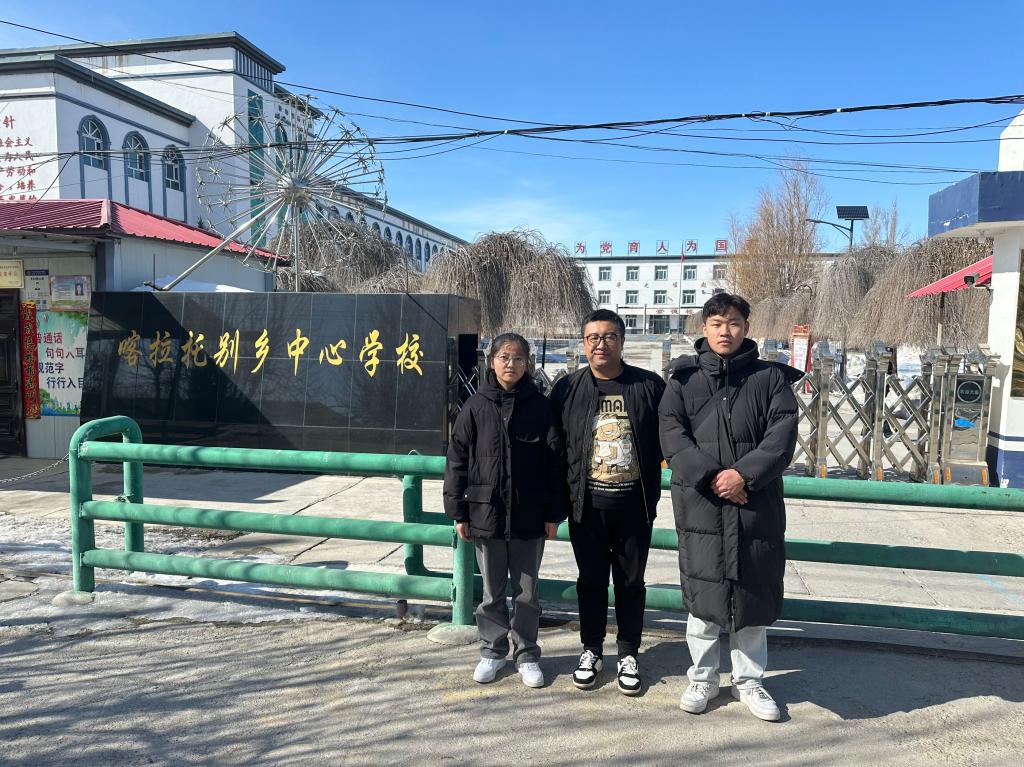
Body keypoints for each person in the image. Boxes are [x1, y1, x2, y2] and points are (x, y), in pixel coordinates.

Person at [659, 293, 800, 721]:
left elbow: (781, 437)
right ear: (704, 328)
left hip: (755, 503)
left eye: (734, 323)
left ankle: (749, 680)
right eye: (717, 323)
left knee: (752, 595)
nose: (725, 331)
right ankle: (703, 677)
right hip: (701, 504)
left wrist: (743, 476)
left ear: (746, 328)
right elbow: (672, 437)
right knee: (704, 595)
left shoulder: (770, 379)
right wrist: (714, 478)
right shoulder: (683, 381)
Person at [550, 309, 666, 695]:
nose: (601, 344)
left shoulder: (649, 385)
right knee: (591, 581)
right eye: (593, 337)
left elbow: (670, 437)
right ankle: (592, 649)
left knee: (631, 582)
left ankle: (629, 652)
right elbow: (555, 446)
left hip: (634, 505)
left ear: (622, 340)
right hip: (586, 506)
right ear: (584, 343)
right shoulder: (567, 389)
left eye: (609, 336)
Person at [443, 333, 567, 688]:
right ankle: (493, 651)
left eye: (518, 358)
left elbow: (556, 463)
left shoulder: (541, 407)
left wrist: (554, 513)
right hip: (486, 513)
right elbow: (457, 461)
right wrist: (459, 511)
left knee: (527, 594)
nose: (510, 364)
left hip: (530, 514)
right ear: (492, 361)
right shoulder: (475, 406)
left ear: (528, 363)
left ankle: (527, 654)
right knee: (491, 592)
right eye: (504, 357)